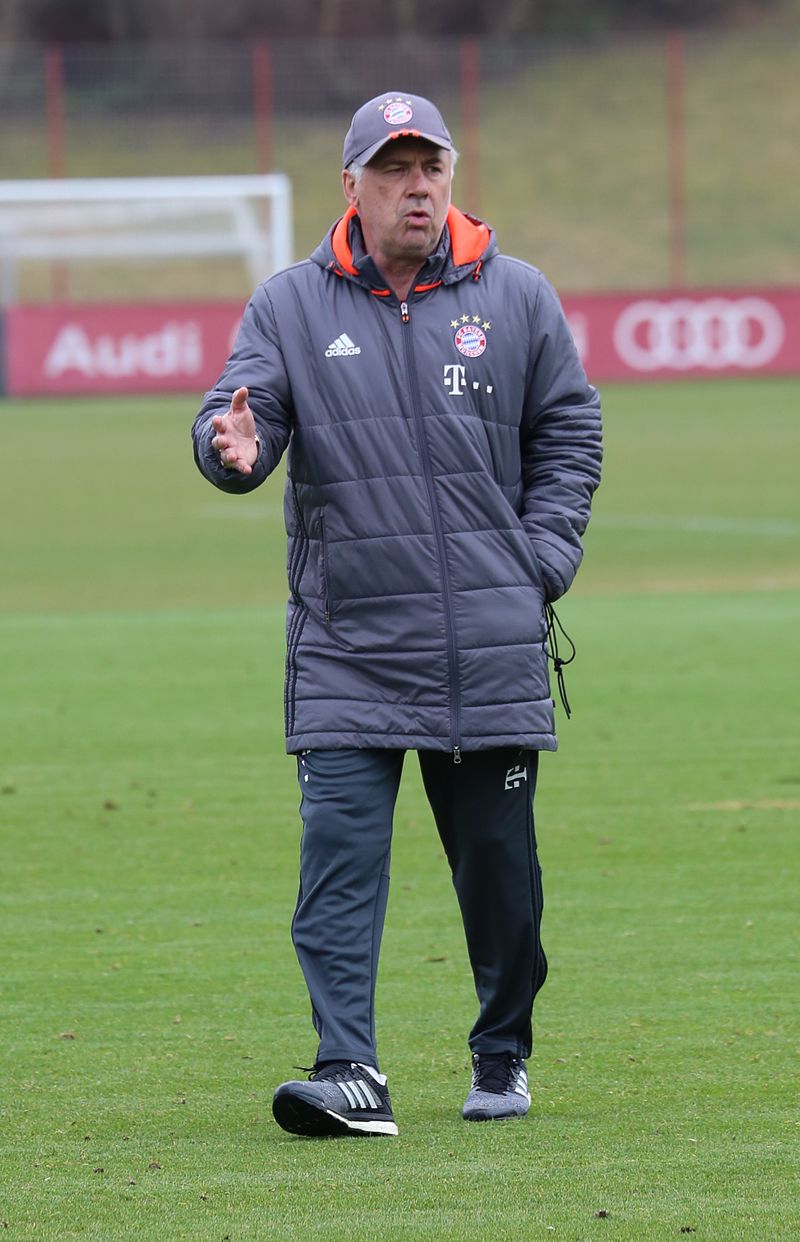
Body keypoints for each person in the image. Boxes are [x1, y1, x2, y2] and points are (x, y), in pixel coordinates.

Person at [192, 91, 602, 1138]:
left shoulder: (515, 296)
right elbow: (241, 413)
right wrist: (225, 450)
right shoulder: (288, 304)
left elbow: (568, 430)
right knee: (336, 860)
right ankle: (348, 1071)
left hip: (485, 643)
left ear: (449, 177)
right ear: (353, 187)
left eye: (429, 167)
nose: (415, 187)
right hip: (347, 647)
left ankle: (500, 1051)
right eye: (392, 170)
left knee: (499, 881)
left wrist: (538, 565)